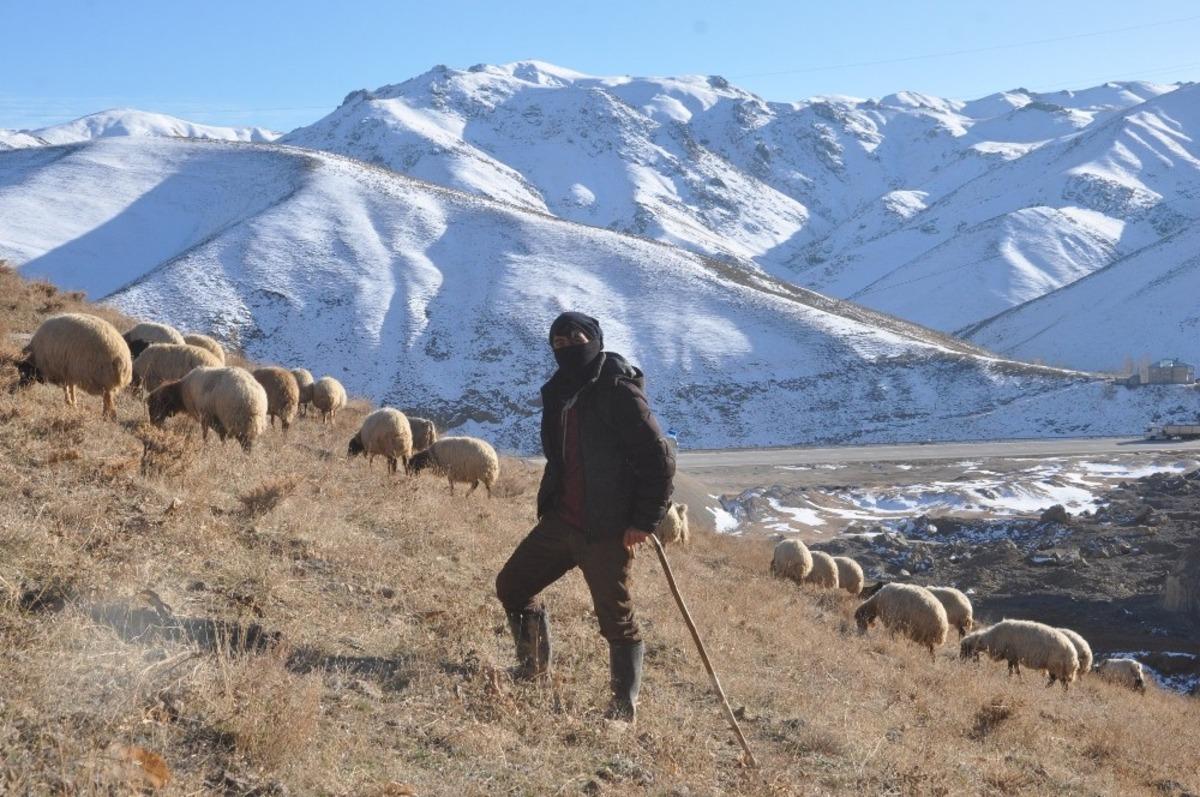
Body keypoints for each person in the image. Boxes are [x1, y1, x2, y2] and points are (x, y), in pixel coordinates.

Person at [495, 311, 676, 722]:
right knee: (513, 585)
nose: (567, 346)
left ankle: (622, 709)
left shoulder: (618, 390)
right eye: (558, 342)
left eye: (576, 337)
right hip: (563, 521)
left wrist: (644, 521)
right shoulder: (558, 392)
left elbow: (659, 459)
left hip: (608, 530)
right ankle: (533, 668)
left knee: (617, 620)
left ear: (594, 339)